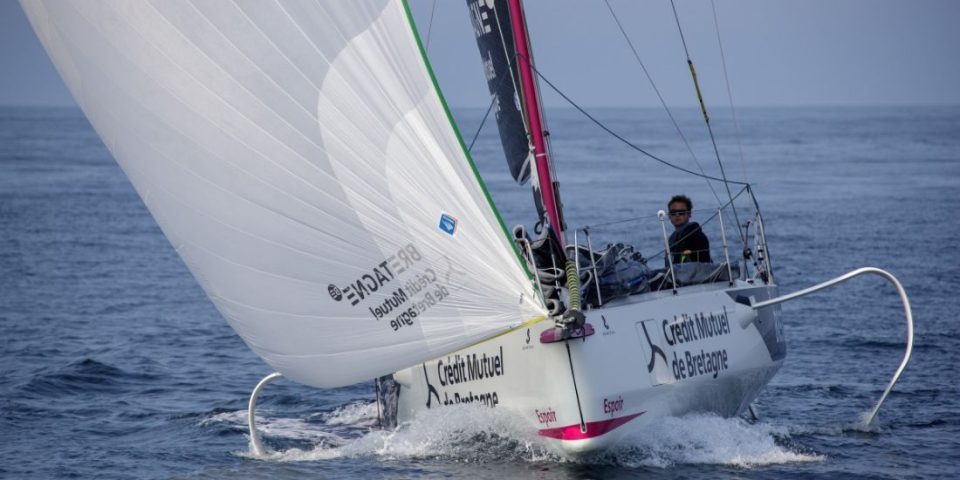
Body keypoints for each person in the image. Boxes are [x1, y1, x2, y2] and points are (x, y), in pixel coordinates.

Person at [666, 194, 712, 265]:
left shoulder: (697, 236)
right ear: (669, 215)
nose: (677, 215)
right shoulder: (671, 240)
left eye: (681, 212)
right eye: (673, 212)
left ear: (689, 214)